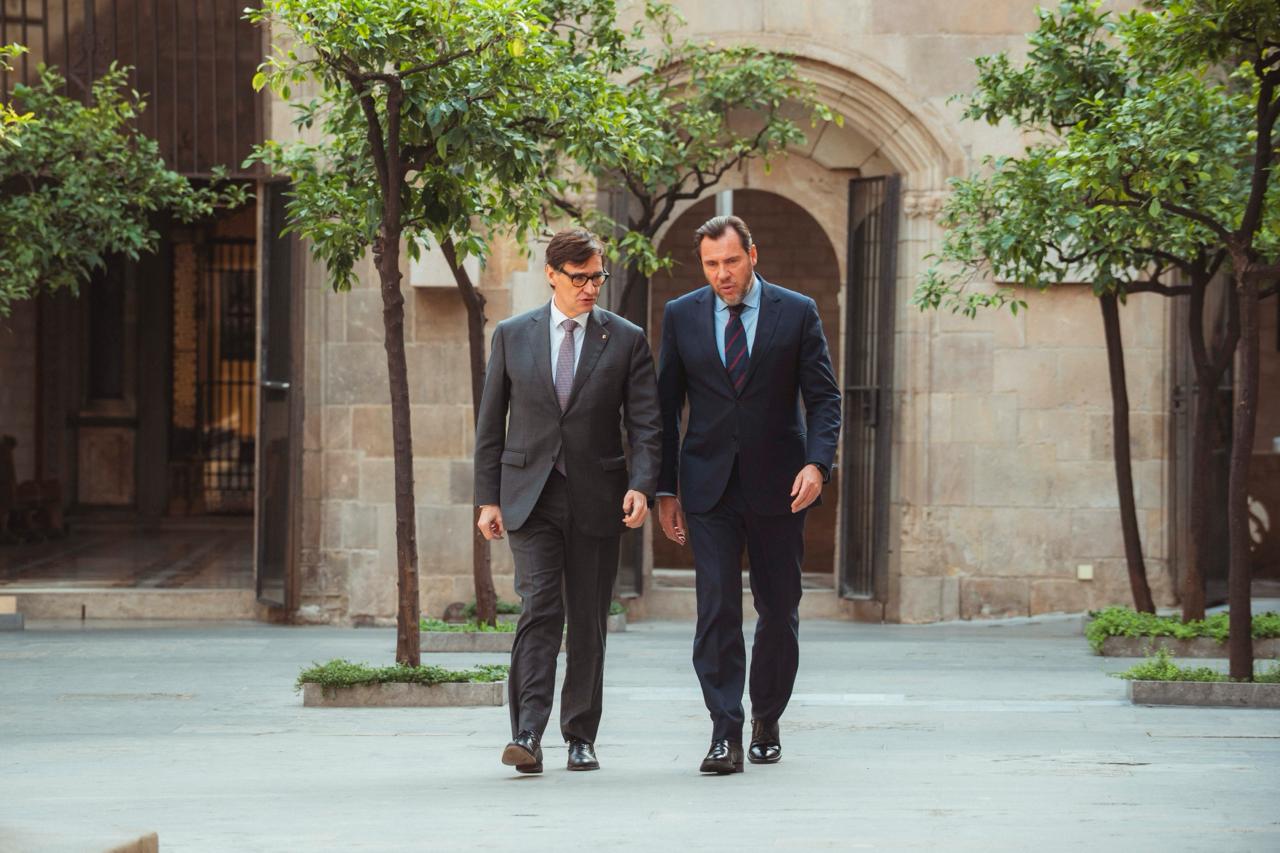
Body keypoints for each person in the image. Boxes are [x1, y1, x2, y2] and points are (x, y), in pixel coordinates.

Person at [656, 215, 841, 774]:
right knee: (715, 608)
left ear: (752, 255)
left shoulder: (797, 311)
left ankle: (766, 718)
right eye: (711, 265)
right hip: (708, 486)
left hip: (781, 486)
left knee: (778, 609)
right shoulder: (682, 315)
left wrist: (817, 463)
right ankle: (724, 731)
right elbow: (664, 410)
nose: (722, 275)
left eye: (731, 262)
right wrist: (666, 489)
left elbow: (825, 399)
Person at [474, 228, 662, 774]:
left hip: (599, 497)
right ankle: (527, 733)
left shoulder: (625, 339)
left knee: (587, 618)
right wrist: (488, 498)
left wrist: (643, 485)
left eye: (597, 276)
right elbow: (491, 425)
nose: (590, 287)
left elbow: (647, 426)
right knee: (539, 610)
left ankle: (580, 734)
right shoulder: (512, 335)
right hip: (529, 497)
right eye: (579, 278)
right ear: (552, 275)